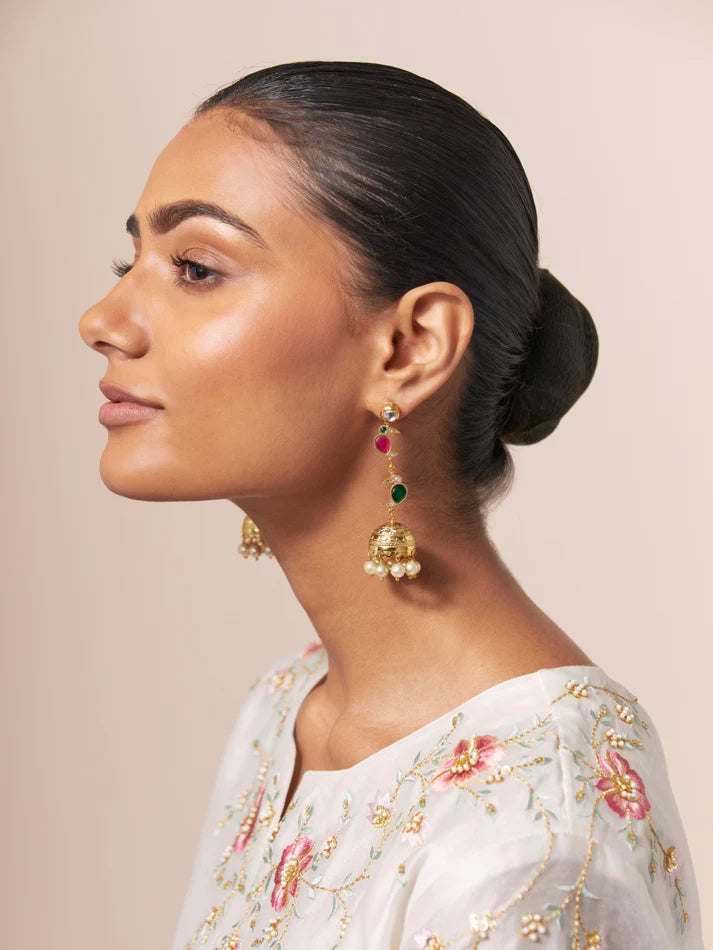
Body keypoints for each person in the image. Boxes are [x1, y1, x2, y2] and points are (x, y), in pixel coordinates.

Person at [78, 60, 703, 949]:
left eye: (195, 267)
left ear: (410, 347)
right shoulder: (285, 712)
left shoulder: (533, 839)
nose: (102, 320)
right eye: (130, 260)